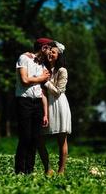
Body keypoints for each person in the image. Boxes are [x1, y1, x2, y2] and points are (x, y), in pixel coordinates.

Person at [14, 38, 54, 175]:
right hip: (24, 101)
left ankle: (29, 171)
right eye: (49, 48)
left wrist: (45, 113)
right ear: (43, 48)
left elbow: (42, 92)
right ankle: (19, 171)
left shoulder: (42, 66)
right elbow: (24, 80)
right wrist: (41, 78)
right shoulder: (24, 58)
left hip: (37, 103)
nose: (50, 52)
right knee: (25, 137)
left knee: (35, 139)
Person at [43, 41, 71, 174]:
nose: (50, 54)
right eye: (49, 52)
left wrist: (46, 82)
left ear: (58, 55)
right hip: (48, 105)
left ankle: (61, 170)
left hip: (59, 105)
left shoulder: (62, 70)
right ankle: (48, 168)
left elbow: (58, 91)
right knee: (41, 137)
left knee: (61, 139)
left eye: (53, 52)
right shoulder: (46, 69)